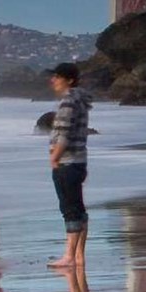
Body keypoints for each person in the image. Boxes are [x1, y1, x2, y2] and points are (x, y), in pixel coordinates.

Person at [47, 62, 93, 268]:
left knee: (70, 210)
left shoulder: (68, 103)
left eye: (57, 77)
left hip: (68, 162)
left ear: (70, 80)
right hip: (80, 160)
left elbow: (63, 135)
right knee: (79, 209)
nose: (53, 80)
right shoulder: (80, 101)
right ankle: (78, 256)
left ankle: (68, 256)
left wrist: (54, 158)